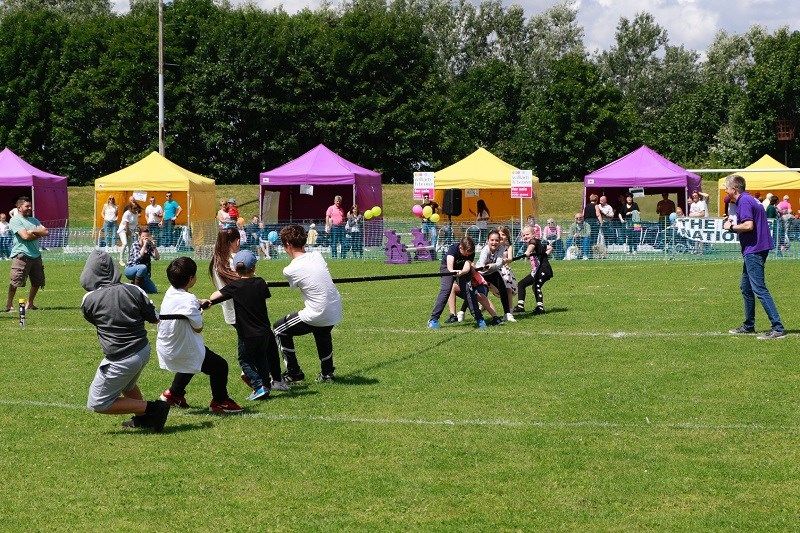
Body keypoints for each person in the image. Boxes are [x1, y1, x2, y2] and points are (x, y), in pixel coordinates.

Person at [80, 250, 169, 432]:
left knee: (97, 402)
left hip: (121, 356)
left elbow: (94, 319)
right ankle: (144, 419)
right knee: (128, 385)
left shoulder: (89, 300)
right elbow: (154, 318)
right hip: (142, 350)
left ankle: (154, 409)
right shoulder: (134, 290)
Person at [156, 257, 243, 414]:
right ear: (191, 279)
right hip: (181, 349)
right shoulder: (188, 300)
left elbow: (185, 304)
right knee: (219, 366)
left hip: (166, 348)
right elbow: (198, 328)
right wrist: (199, 308)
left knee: (192, 361)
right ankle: (220, 401)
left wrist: (198, 303)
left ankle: (173, 394)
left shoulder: (170, 292)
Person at [202, 250, 287, 400]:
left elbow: (214, 296)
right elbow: (264, 294)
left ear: (235, 269)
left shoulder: (234, 286)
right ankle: (265, 387)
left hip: (246, 333)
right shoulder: (260, 283)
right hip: (264, 331)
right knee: (261, 358)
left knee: (245, 360)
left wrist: (209, 301)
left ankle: (258, 385)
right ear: (254, 267)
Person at [273, 225, 343, 383]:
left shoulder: (290, 269)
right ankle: (327, 374)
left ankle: (294, 372)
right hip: (335, 309)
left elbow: (296, 284)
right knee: (322, 331)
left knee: (279, 329)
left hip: (318, 312)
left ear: (288, 245)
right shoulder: (317, 255)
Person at [722, 175, 785, 339]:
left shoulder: (744, 201)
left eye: (726, 188)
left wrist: (731, 227)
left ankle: (777, 327)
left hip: (754, 249)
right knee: (746, 287)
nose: (725, 191)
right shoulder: (749, 199)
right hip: (756, 248)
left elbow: (748, 225)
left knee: (759, 288)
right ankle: (749, 325)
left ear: (734, 189)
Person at [427, 236, 485, 329]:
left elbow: (467, 266)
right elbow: (450, 268)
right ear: (461, 247)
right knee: (446, 290)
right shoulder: (453, 249)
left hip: (462, 270)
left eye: (469, 253)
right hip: (447, 268)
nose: (467, 255)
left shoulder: (470, 252)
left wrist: (462, 272)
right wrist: (454, 271)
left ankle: (479, 319)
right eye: (466, 253)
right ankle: (433, 320)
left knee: (468, 291)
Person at [5, 198, 48, 312]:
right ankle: (9, 304)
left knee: (37, 281)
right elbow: (25, 236)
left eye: (30, 206)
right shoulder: (15, 220)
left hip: (36, 255)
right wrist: (38, 233)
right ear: (19, 208)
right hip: (21, 255)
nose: (29, 208)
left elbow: (46, 231)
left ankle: (30, 303)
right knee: (16, 280)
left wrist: (32, 232)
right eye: (27, 206)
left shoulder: (34, 220)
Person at [513, 225, 553, 315]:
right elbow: (550, 248)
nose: (525, 236)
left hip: (543, 269)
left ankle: (540, 308)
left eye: (527, 234)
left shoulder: (534, 241)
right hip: (536, 271)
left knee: (536, 286)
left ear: (533, 234)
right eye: (523, 235)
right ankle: (520, 306)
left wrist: (528, 252)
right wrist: (544, 254)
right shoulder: (539, 245)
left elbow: (532, 244)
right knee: (521, 284)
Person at [475, 230, 514, 322]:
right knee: (477, 292)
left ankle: (507, 314)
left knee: (503, 289)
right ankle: (462, 312)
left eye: (497, 240)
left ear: (499, 241)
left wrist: (492, 265)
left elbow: (499, 263)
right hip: (481, 273)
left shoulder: (501, 248)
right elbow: (482, 263)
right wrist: (485, 266)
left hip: (492, 271)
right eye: (492, 240)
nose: (494, 242)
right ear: (488, 240)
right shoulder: (485, 250)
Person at [124, 227, 160, 293]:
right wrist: (144, 245)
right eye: (143, 236)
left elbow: (157, 258)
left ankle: (132, 285)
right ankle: (137, 289)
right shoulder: (135, 244)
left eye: (147, 236)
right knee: (142, 267)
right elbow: (138, 258)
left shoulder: (149, 245)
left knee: (153, 290)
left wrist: (154, 246)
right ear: (139, 236)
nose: (145, 238)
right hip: (130, 270)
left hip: (143, 273)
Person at [496, 226, 518, 306]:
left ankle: (510, 309)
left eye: (503, 234)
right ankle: (483, 305)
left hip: (504, 270)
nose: (501, 236)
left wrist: (504, 261)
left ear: (507, 236)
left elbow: (510, 259)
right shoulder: (494, 245)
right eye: (499, 234)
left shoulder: (508, 247)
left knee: (508, 289)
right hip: (494, 269)